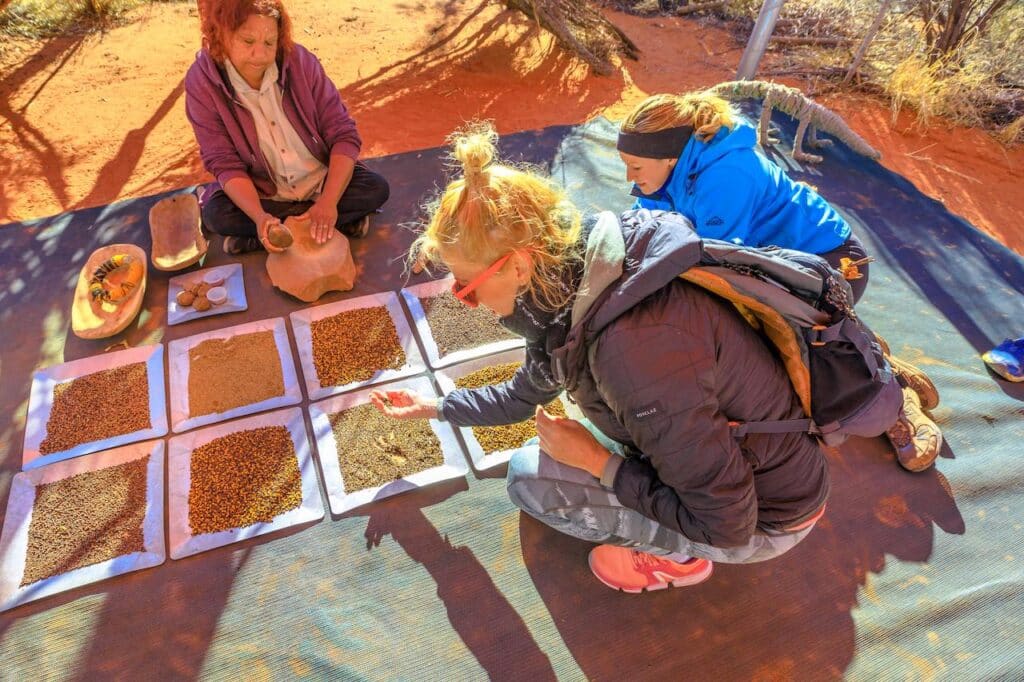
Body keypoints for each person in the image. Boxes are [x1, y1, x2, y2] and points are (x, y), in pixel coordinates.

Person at [370, 122, 829, 593]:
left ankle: (677, 560)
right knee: (543, 453)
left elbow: (727, 523)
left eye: (467, 290)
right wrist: (437, 406)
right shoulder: (573, 282)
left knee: (531, 481)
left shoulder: (632, 354)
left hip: (765, 518)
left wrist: (598, 462)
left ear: (518, 265)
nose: (470, 303)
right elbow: (524, 393)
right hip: (725, 453)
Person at [618, 92, 943, 472]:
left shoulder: (725, 175)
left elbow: (710, 259)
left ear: (669, 156)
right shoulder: (665, 174)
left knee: (796, 355)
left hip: (830, 262)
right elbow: (649, 230)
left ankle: (890, 393)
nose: (629, 177)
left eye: (635, 166)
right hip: (769, 263)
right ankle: (863, 344)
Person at [184, 0, 389, 255]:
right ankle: (328, 225)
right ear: (221, 34)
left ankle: (268, 236)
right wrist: (259, 217)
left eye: (269, 43)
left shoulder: (301, 62)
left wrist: (328, 201)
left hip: (318, 183)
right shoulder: (202, 81)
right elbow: (224, 163)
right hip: (266, 194)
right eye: (248, 42)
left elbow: (343, 134)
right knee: (217, 214)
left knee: (375, 188)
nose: (260, 55)